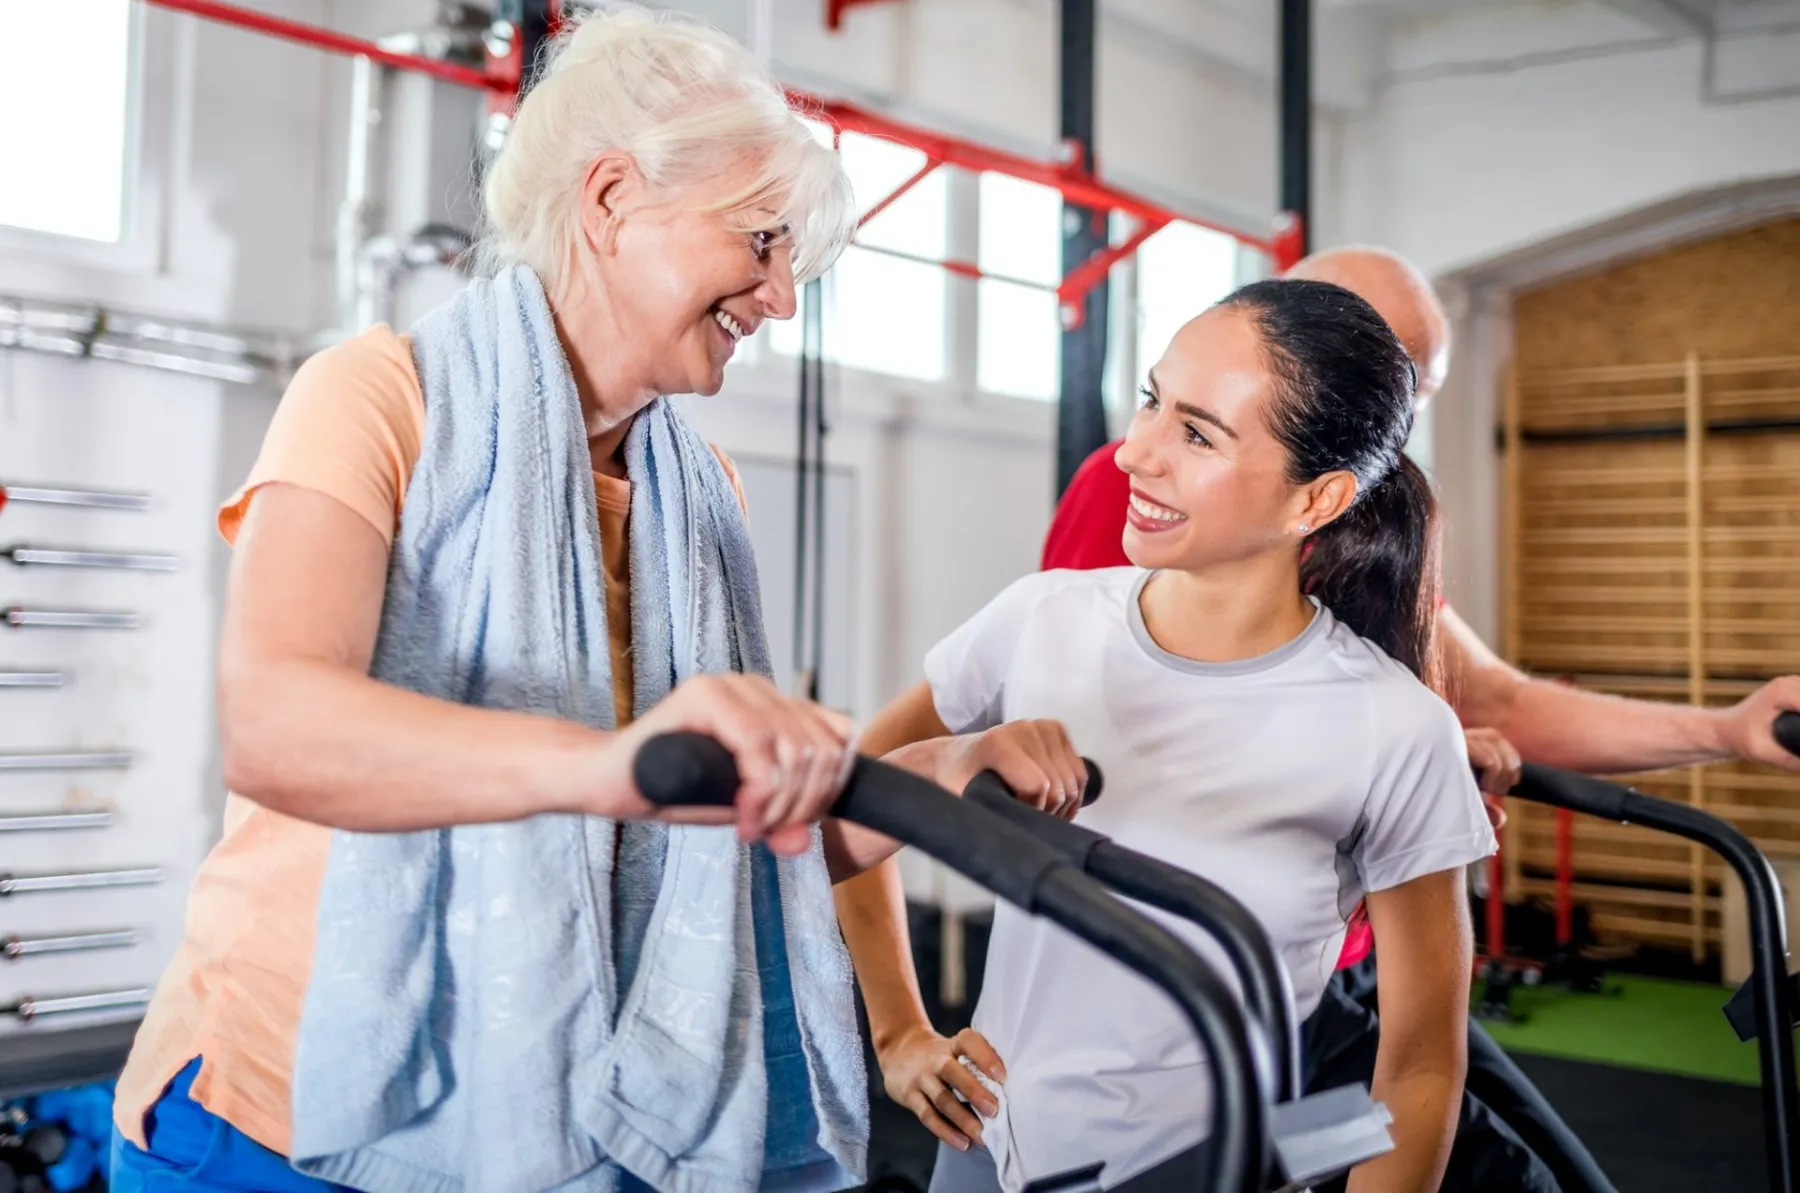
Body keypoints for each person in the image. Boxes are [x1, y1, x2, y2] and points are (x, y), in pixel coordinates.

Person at [108, 10, 909, 1192]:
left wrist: (945, 781)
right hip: (281, 1115)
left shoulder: (701, 494)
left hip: (547, 1115)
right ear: (611, 198)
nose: (781, 298)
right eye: (759, 242)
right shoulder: (379, 398)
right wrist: (613, 766)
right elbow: (278, 727)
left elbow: (727, 840)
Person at [1029, 244, 1800, 1193]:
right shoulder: (1151, 492)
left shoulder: (1358, 522)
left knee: (1524, 1162)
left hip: (1354, 964)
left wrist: (1729, 730)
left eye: (1409, 391)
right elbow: (1105, 716)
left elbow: (1494, 699)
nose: (1385, 413)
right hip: (1241, 988)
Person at [843, 278, 1497, 1193]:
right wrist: (898, 1032)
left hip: (1207, 1169)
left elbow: (1421, 1063)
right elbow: (851, 797)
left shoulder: (1397, 726)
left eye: (1198, 434)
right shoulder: (1042, 619)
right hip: (986, 1151)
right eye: (1152, 400)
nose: (1134, 453)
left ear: (1317, 499)